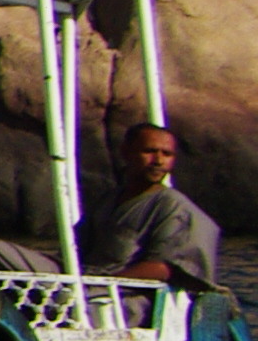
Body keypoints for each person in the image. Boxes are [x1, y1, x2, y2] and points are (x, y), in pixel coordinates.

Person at [82, 123, 224, 289]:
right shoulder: (108, 200)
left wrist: (103, 285)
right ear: (126, 152)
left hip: (128, 295)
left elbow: (163, 268)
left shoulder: (173, 206)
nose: (158, 161)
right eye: (149, 152)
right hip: (89, 281)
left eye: (167, 154)